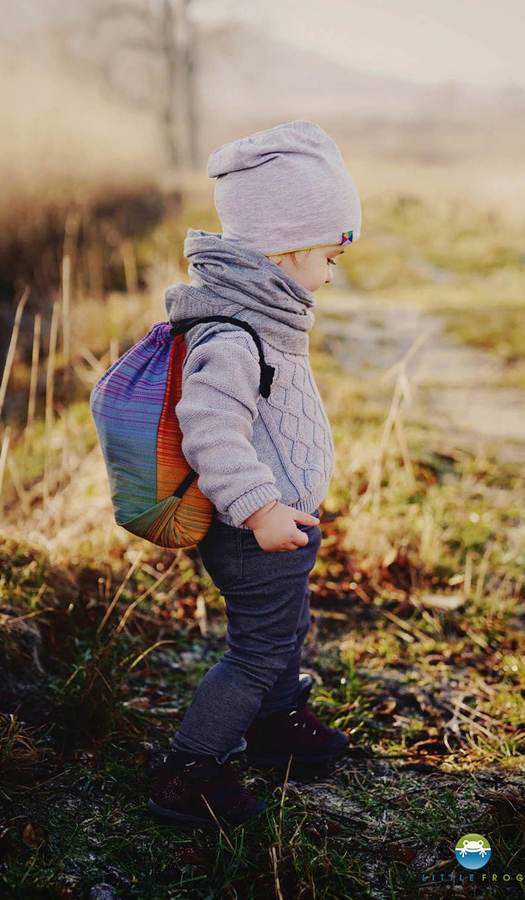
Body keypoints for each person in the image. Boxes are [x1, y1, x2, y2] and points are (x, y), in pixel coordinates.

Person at [148, 120, 361, 826]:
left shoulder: (265, 319)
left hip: (277, 525)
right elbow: (211, 430)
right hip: (251, 531)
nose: (330, 273)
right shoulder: (234, 333)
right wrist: (262, 508)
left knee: (286, 632)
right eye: (330, 255)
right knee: (256, 653)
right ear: (287, 246)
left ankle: (275, 726)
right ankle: (189, 769)